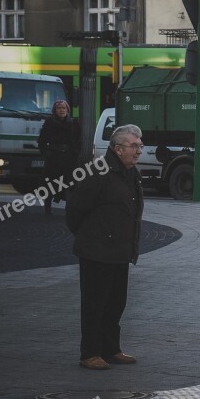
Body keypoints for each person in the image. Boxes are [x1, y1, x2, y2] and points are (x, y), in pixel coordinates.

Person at [66, 125, 144, 370]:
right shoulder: (98, 172)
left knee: (115, 303)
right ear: (118, 149)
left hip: (119, 250)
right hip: (97, 250)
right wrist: (93, 236)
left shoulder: (130, 173)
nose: (139, 150)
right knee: (95, 304)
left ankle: (111, 349)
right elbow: (75, 210)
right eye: (134, 146)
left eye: (140, 145)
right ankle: (90, 353)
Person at [37, 100, 80, 215]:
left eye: (64, 108)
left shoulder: (73, 123)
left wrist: (75, 153)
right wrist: (47, 154)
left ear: (67, 110)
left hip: (68, 158)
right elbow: (41, 141)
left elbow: (78, 140)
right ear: (55, 110)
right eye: (59, 108)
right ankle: (48, 207)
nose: (61, 110)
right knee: (50, 183)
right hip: (54, 157)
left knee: (70, 182)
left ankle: (68, 208)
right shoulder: (49, 122)